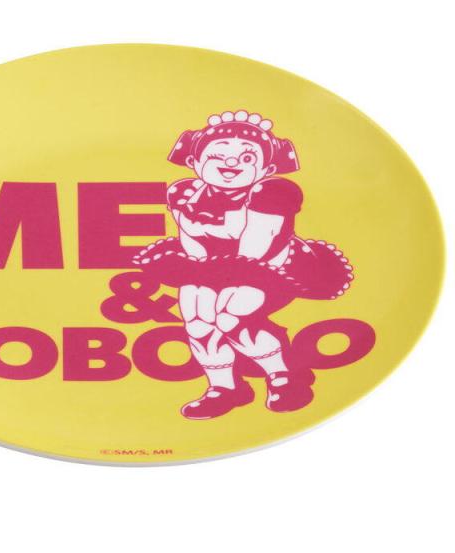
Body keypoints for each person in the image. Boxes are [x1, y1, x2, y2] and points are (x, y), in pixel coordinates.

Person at [133, 110, 353, 419]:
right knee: (197, 321)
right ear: (195, 162)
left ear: (267, 168)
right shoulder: (184, 192)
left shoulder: (272, 192)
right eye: (217, 155)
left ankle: (283, 376)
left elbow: (255, 251)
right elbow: (191, 242)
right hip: (211, 266)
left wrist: (210, 276)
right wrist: (195, 272)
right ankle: (224, 388)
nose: (231, 163)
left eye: (248, 158)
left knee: (230, 317)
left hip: (270, 268)